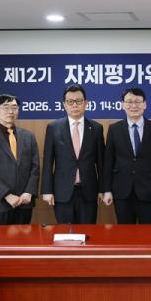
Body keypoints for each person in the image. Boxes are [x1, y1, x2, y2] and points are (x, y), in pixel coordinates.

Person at [102, 88, 151, 224]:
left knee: (149, 232)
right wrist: (107, 190)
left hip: (148, 191)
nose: (133, 105)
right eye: (129, 102)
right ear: (123, 105)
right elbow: (108, 162)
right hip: (122, 191)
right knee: (125, 233)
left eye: (138, 102)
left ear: (145, 104)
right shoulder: (114, 129)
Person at [41, 85, 105, 224]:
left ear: (86, 103)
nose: (75, 105)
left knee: (88, 232)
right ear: (64, 104)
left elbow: (101, 163)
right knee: (65, 233)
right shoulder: (53, 127)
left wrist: (103, 189)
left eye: (79, 101)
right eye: (70, 101)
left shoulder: (96, 128)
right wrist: (47, 190)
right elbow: (48, 162)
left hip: (88, 192)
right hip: (62, 192)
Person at [0, 94, 40, 225]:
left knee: (24, 238)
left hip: (24, 201)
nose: (10, 111)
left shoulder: (28, 136)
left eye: (14, 107)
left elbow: (35, 168)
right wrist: (7, 195)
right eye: (6, 107)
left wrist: (29, 192)